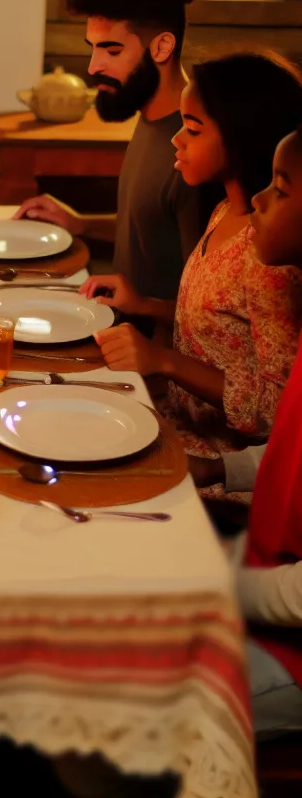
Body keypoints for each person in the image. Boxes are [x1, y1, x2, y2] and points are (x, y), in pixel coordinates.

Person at [81, 51, 302, 463]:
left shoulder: (272, 258)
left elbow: (277, 410)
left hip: (215, 466)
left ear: (242, 137)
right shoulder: (223, 212)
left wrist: (162, 360)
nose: (176, 139)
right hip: (173, 426)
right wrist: (143, 305)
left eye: (193, 129)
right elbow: (217, 329)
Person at [189, 127, 302, 736]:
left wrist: (218, 580)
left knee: (116, 689)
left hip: (290, 648)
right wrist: (215, 470)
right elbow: (292, 448)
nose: (257, 199)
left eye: (280, 190)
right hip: (260, 578)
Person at [14, 0, 208, 303]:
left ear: (162, 47)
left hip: (152, 347)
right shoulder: (150, 115)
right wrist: (82, 224)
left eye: (112, 50)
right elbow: (151, 227)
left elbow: (209, 309)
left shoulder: (194, 144)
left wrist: (144, 310)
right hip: (118, 321)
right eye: (93, 49)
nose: (93, 67)